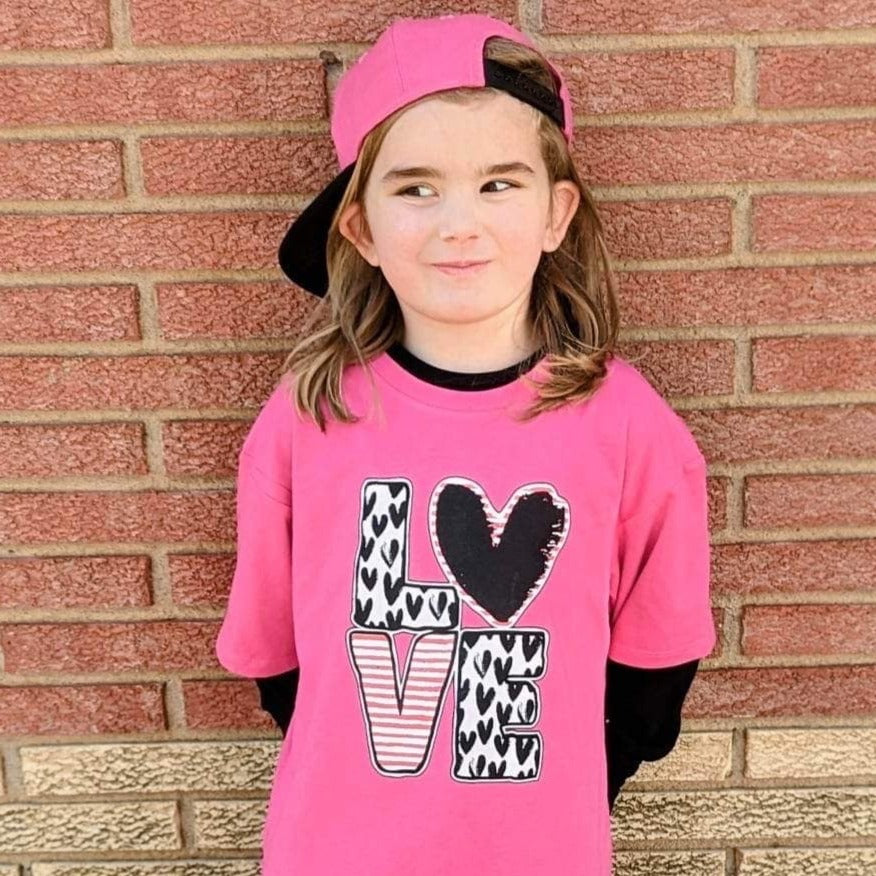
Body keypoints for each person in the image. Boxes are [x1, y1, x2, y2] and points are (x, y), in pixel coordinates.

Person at [215, 13, 716, 875]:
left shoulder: (626, 423)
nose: (459, 224)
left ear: (557, 213)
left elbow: (657, 660)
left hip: (542, 851)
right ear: (360, 228)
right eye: (415, 188)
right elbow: (275, 656)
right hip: (335, 849)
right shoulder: (309, 415)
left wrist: (574, 786)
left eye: (498, 184)